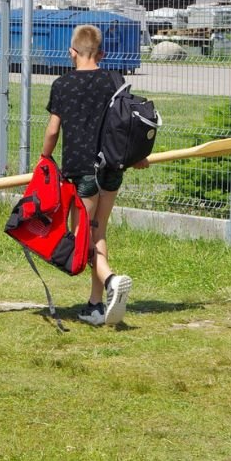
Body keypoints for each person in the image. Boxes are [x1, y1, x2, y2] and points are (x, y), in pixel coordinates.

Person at [40, 23, 141, 326]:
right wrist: (138, 157)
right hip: (111, 167)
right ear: (102, 53)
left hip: (82, 172)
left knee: (83, 237)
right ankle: (95, 306)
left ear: (72, 51)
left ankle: (111, 280)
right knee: (98, 232)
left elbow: (53, 130)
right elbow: (126, 124)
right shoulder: (114, 80)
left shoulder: (62, 85)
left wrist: (44, 159)